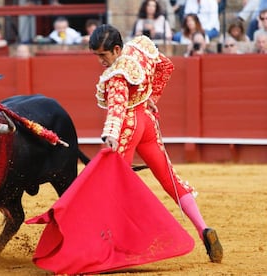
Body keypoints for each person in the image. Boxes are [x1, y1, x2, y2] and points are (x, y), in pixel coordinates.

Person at [88, 24, 223, 263]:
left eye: (103, 55)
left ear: (116, 49)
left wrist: (110, 136)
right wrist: (153, 96)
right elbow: (165, 66)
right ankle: (203, 228)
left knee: (113, 186)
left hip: (128, 128)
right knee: (170, 178)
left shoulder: (116, 75)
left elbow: (117, 110)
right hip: (147, 123)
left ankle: (115, 243)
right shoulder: (140, 48)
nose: (100, 61)